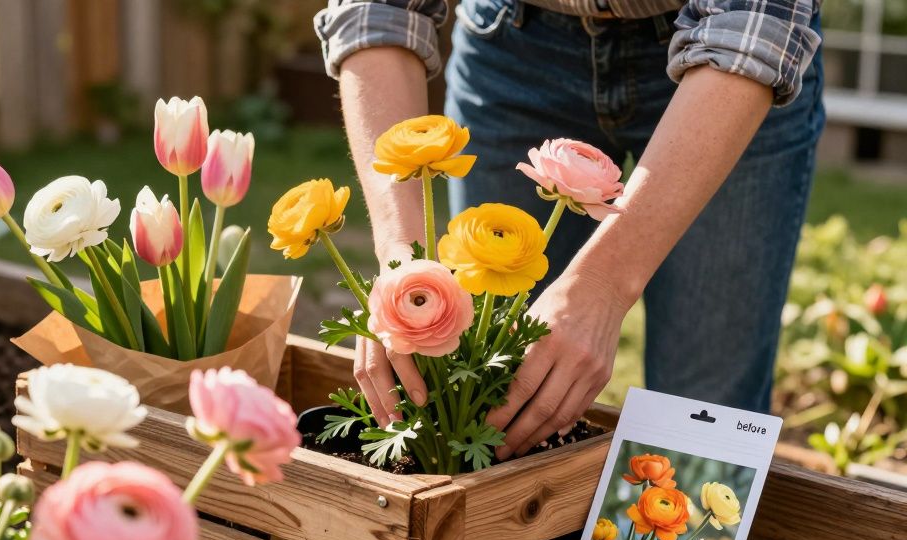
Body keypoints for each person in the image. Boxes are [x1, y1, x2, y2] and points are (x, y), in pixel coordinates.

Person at [314, 0, 823, 459]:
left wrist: (603, 286)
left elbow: (753, 23)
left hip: (733, 65)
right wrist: (403, 257)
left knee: (706, 406)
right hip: (512, 45)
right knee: (491, 384)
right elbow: (376, 8)